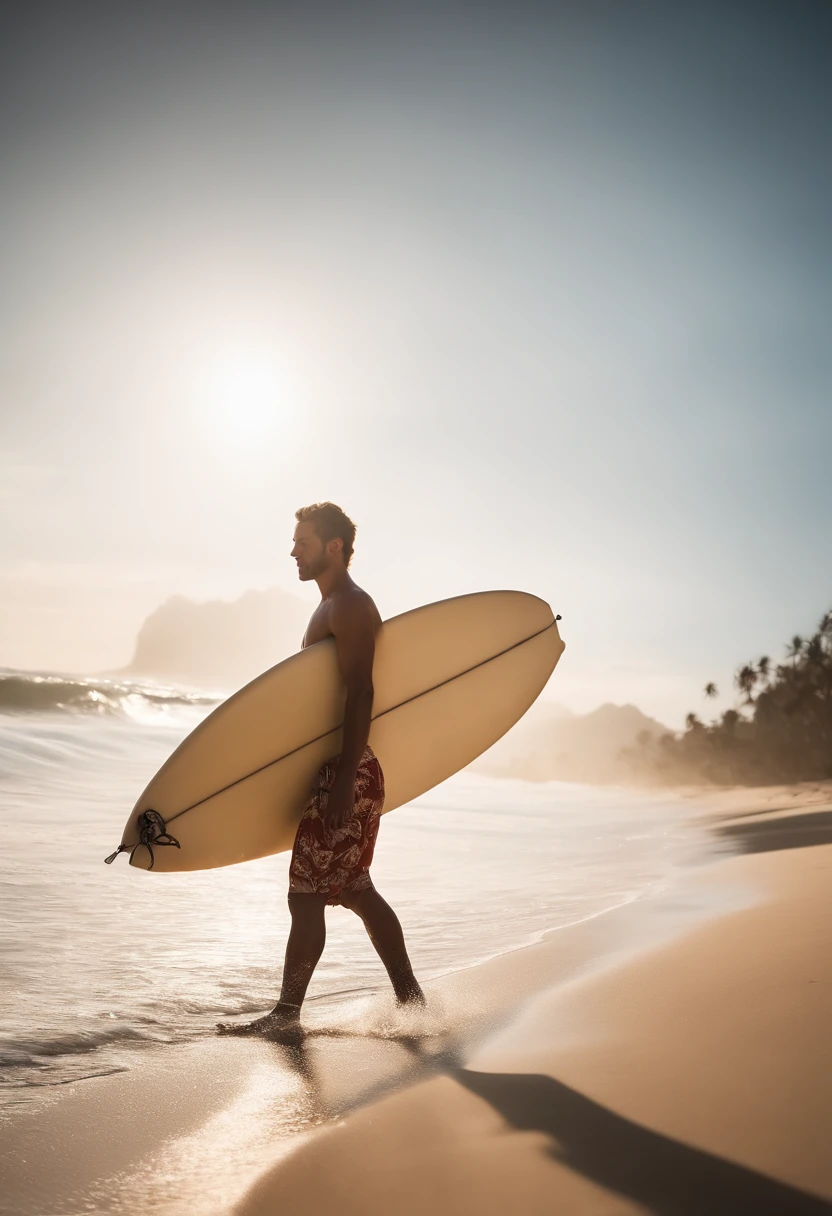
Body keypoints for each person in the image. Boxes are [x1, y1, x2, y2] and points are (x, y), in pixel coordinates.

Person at [218, 502, 424, 1037]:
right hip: (342, 767)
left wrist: (343, 783)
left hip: (347, 771)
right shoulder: (331, 606)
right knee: (354, 889)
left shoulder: (350, 605)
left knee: (308, 894)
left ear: (333, 546)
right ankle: (413, 1003)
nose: (293, 550)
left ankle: (286, 1017)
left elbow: (362, 692)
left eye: (302, 541)